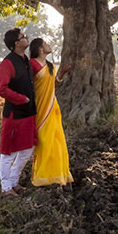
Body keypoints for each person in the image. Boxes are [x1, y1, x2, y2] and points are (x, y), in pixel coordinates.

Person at [28, 37, 74, 188]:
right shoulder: (32, 64)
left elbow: (54, 85)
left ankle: (57, 175)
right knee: (44, 141)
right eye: (46, 44)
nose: (49, 45)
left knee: (56, 141)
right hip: (40, 108)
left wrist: (61, 74)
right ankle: (41, 176)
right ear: (40, 49)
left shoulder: (50, 65)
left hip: (52, 107)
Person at [0, 27, 37, 196]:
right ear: (16, 43)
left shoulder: (26, 60)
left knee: (28, 149)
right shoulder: (7, 63)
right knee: (9, 152)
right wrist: (23, 99)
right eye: (23, 37)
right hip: (14, 115)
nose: (27, 38)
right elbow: (2, 89)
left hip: (29, 114)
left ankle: (14, 182)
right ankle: (6, 188)